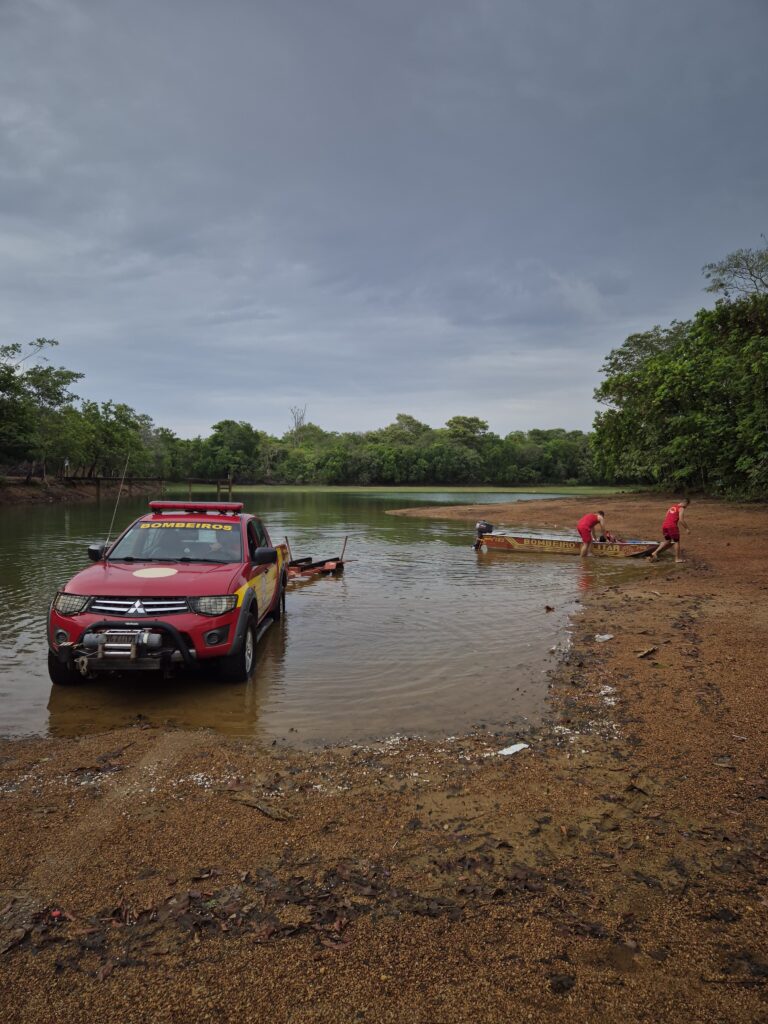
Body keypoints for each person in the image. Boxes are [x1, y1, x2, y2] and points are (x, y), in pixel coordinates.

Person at [650, 498, 691, 563]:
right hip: (672, 526)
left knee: (667, 541)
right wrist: (687, 528)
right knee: (676, 542)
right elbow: (681, 520)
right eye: (687, 505)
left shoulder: (672, 507)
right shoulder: (681, 508)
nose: (686, 507)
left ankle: (655, 552)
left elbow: (666, 516)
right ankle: (677, 559)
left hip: (665, 525)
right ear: (686, 503)